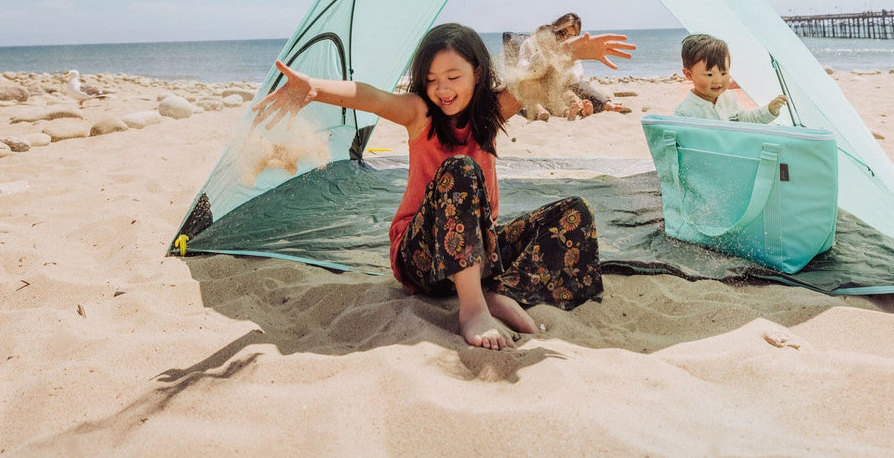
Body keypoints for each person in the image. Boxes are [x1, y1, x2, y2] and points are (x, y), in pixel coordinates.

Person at [251, 22, 634, 350]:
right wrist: (315, 88)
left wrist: (574, 50)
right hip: (421, 259)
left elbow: (537, 77)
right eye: (432, 80)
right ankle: (472, 308)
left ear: (478, 74)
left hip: (478, 251)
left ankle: (501, 294)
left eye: (453, 77)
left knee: (575, 212)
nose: (443, 89)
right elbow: (371, 97)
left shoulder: (492, 112)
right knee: (461, 169)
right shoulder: (420, 114)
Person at [512, 13, 632, 120]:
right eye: (562, 33)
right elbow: (523, 70)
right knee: (531, 91)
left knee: (574, 89)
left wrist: (563, 64)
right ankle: (543, 111)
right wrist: (544, 58)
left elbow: (576, 76)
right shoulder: (532, 42)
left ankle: (605, 105)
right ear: (555, 28)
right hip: (534, 86)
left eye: (571, 36)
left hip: (558, 88)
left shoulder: (570, 49)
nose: (565, 38)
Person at [673, 33, 788, 123]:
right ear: (689, 74)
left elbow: (745, 120)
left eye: (723, 73)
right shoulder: (684, 113)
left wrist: (769, 110)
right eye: (709, 75)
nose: (718, 81)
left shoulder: (729, 98)